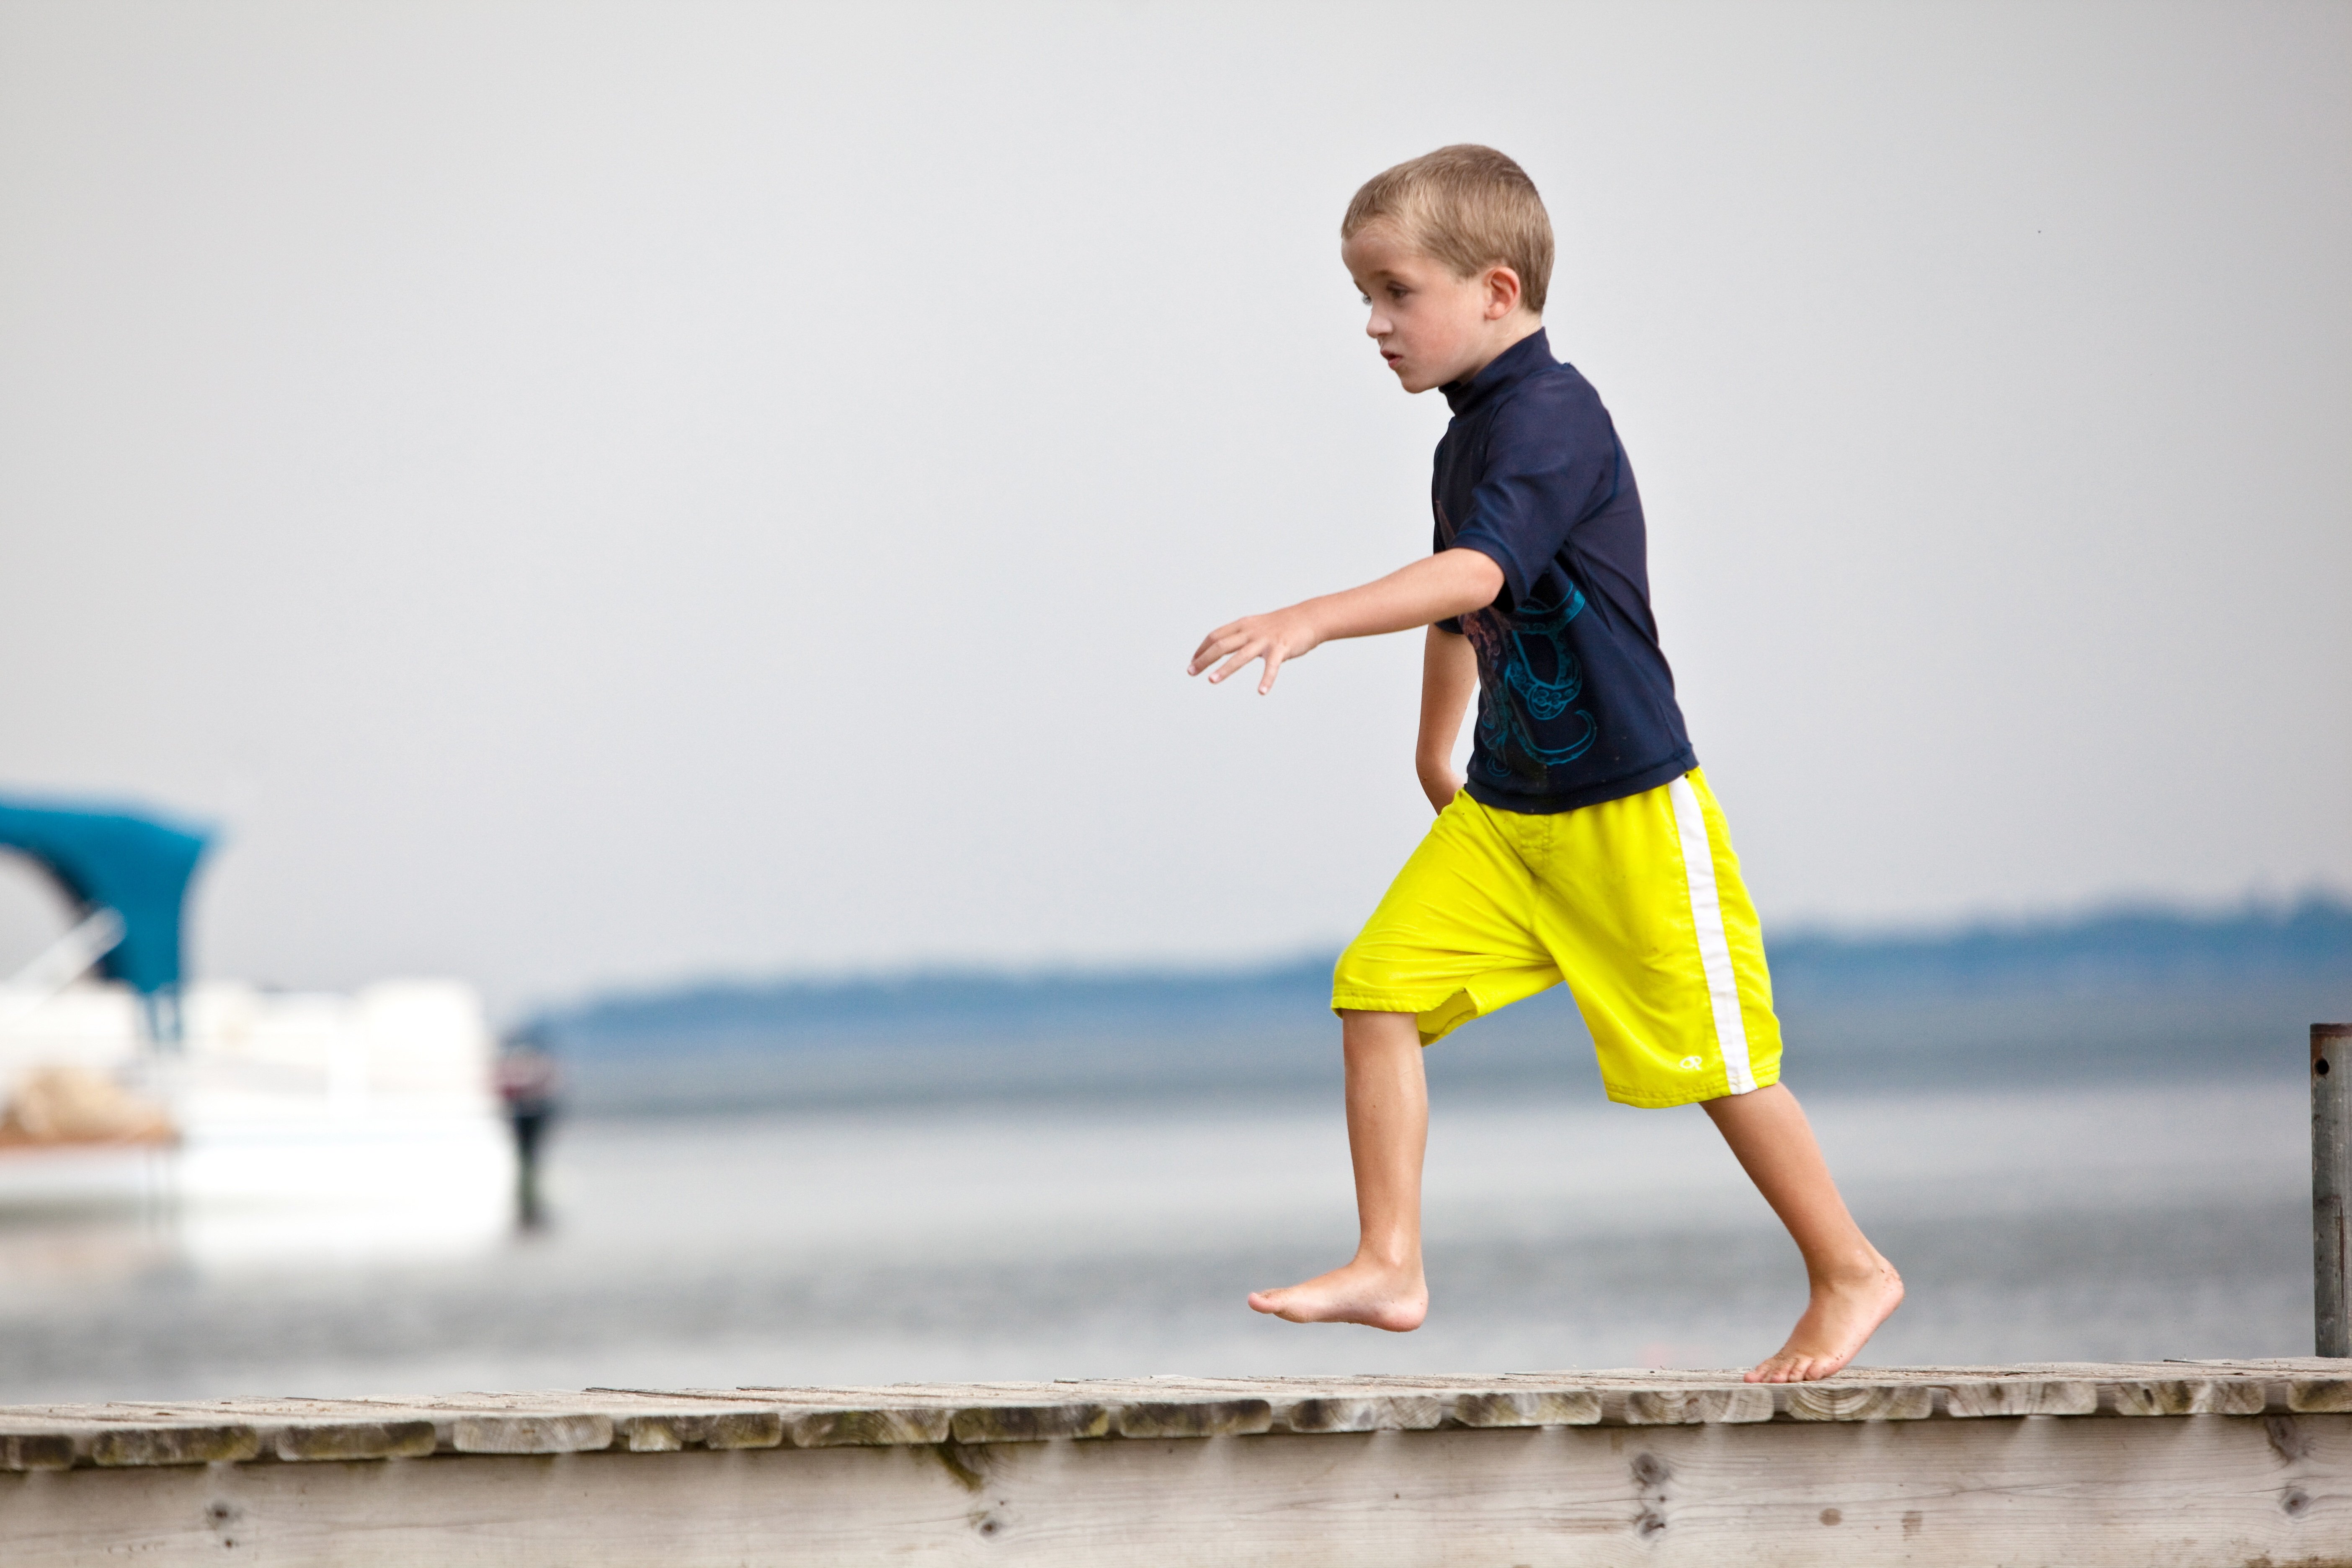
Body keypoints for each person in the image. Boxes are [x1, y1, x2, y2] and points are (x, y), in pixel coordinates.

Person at [1186, 145, 1902, 1383]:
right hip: (1510, 811)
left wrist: (1308, 617)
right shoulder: (1459, 443)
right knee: (1379, 990)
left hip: (1627, 802)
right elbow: (1462, 604)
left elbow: (1476, 573)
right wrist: (1433, 743)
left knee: (1716, 1062)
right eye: (1364, 295)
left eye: (1395, 292)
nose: (1373, 324)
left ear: (1496, 290)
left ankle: (1850, 1270)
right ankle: (1392, 1262)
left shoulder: (1556, 416)